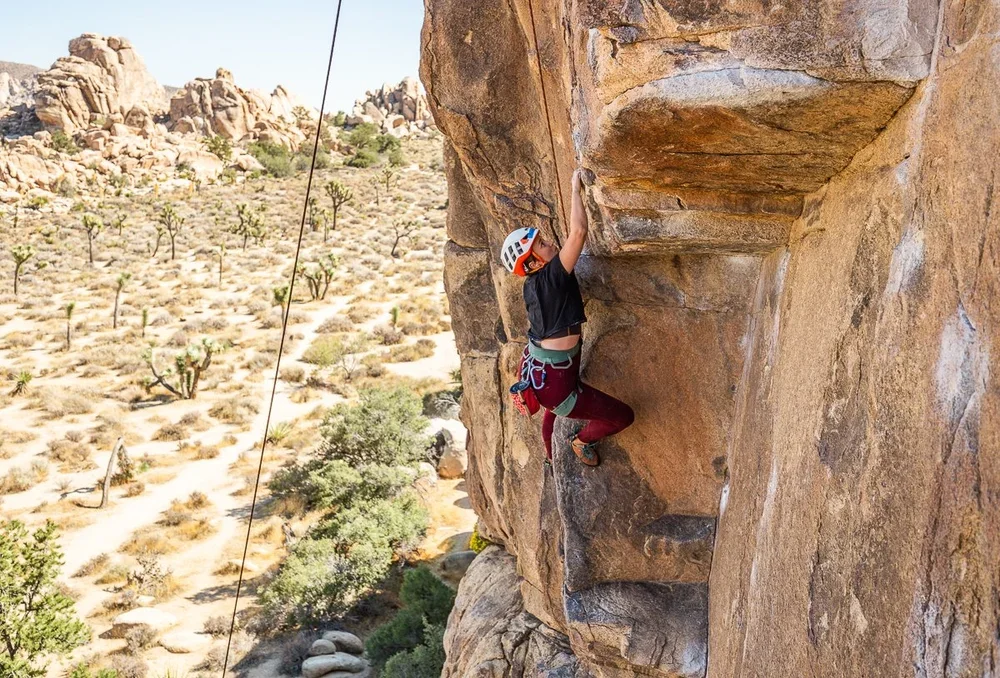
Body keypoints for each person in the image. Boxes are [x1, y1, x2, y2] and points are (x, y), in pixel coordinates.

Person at [501, 169, 634, 467]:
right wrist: (575, 189)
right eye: (542, 245)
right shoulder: (550, 278)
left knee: (555, 404)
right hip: (555, 383)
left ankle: (550, 452)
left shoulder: (533, 284)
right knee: (623, 416)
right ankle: (582, 440)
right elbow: (579, 233)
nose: (549, 243)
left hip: (542, 369)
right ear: (533, 262)